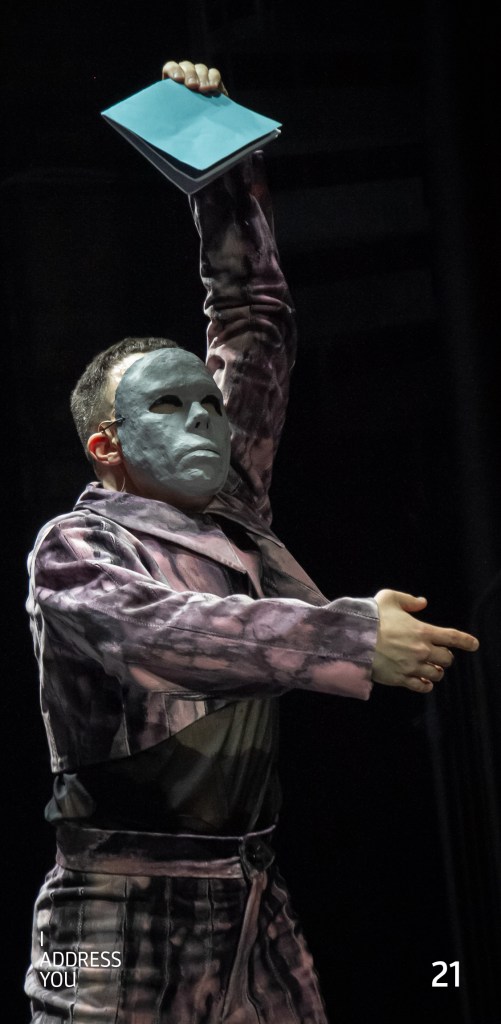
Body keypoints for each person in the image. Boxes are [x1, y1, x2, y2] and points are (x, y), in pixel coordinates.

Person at [25, 60, 479, 1024]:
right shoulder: (74, 550)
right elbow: (163, 635)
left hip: (249, 899)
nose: (205, 417)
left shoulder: (228, 511)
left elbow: (253, 323)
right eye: (168, 407)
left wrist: (219, 163)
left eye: (208, 402)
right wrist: (348, 636)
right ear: (107, 448)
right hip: (103, 918)